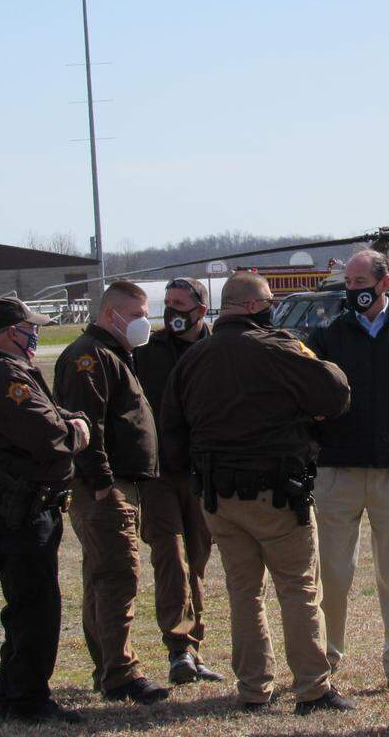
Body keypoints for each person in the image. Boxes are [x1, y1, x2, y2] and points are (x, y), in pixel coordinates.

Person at [162, 271, 356, 715]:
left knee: (244, 593)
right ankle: (312, 688)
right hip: (276, 494)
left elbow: (172, 430)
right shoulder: (278, 348)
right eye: (269, 302)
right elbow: (336, 393)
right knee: (298, 589)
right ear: (253, 307)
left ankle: (253, 689)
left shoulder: (193, 359)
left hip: (217, 498)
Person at [306, 249, 389, 697]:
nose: (353, 290)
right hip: (336, 471)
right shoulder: (326, 335)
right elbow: (308, 405)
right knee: (332, 572)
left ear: (385, 283)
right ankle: (324, 657)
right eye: (348, 283)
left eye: (361, 282)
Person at [0, 297, 91, 723]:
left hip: (23, 506)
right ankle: (27, 701)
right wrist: (76, 434)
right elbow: (47, 434)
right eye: (29, 328)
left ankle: (14, 695)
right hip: (16, 509)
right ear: (9, 332)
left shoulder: (8, 371)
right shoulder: (3, 375)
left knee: (28, 604)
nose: (35, 334)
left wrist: (69, 420)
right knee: (34, 607)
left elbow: (51, 415)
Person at [54, 281, 168, 705]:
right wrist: (102, 483)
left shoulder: (115, 354)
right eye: (137, 314)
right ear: (110, 315)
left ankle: (108, 667)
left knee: (103, 575)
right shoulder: (90, 357)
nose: (144, 322)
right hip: (105, 488)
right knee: (117, 576)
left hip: (119, 484)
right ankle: (119, 672)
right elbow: (88, 426)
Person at [134, 277, 223, 685]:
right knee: (170, 557)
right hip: (158, 475)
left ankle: (194, 647)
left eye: (180, 304)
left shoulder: (219, 351)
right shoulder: (146, 353)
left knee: (198, 560)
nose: (172, 311)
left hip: (205, 474)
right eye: (167, 302)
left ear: (201, 311)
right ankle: (178, 649)